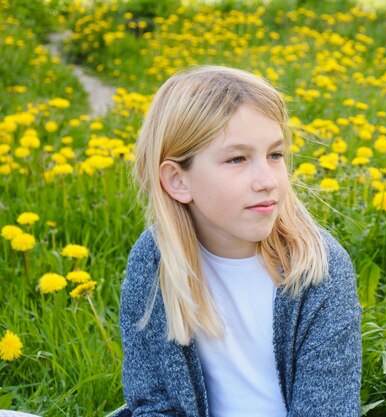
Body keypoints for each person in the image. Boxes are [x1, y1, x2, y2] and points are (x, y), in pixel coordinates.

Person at [112, 66, 362, 417]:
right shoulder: (155, 259)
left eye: (275, 155)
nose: (267, 181)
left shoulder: (318, 267)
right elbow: (154, 402)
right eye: (237, 159)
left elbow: (329, 409)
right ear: (178, 181)